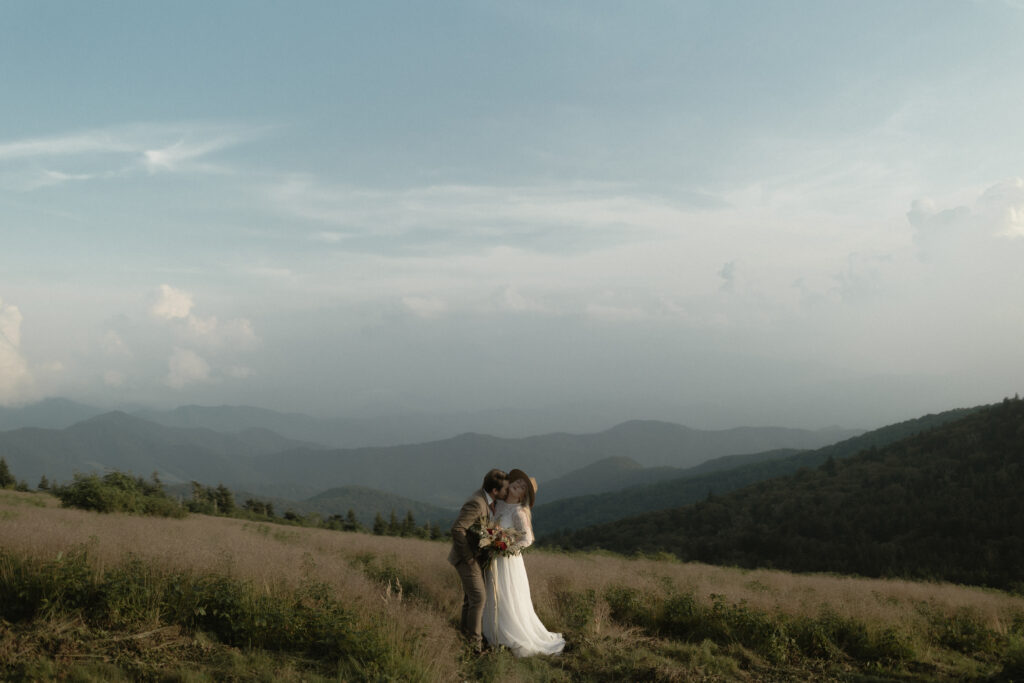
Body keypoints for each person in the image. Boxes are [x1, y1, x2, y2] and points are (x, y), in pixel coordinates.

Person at [482, 468, 565, 657]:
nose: (517, 486)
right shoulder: (498, 504)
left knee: (508, 596)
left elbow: (527, 539)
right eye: (517, 483)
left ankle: (508, 635)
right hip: (494, 558)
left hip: (508, 562)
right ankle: (492, 632)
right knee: (493, 595)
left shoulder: (519, 512)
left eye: (521, 488)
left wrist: (505, 548)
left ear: (522, 497)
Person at [448, 468, 509, 652]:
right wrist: (469, 557)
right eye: (504, 489)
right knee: (479, 598)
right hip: (466, 558)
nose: (506, 492)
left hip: (476, 557)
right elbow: (457, 529)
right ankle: (474, 646)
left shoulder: (490, 501)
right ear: (495, 491)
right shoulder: (477, 503)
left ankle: (464, 637)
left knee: (470, 599)